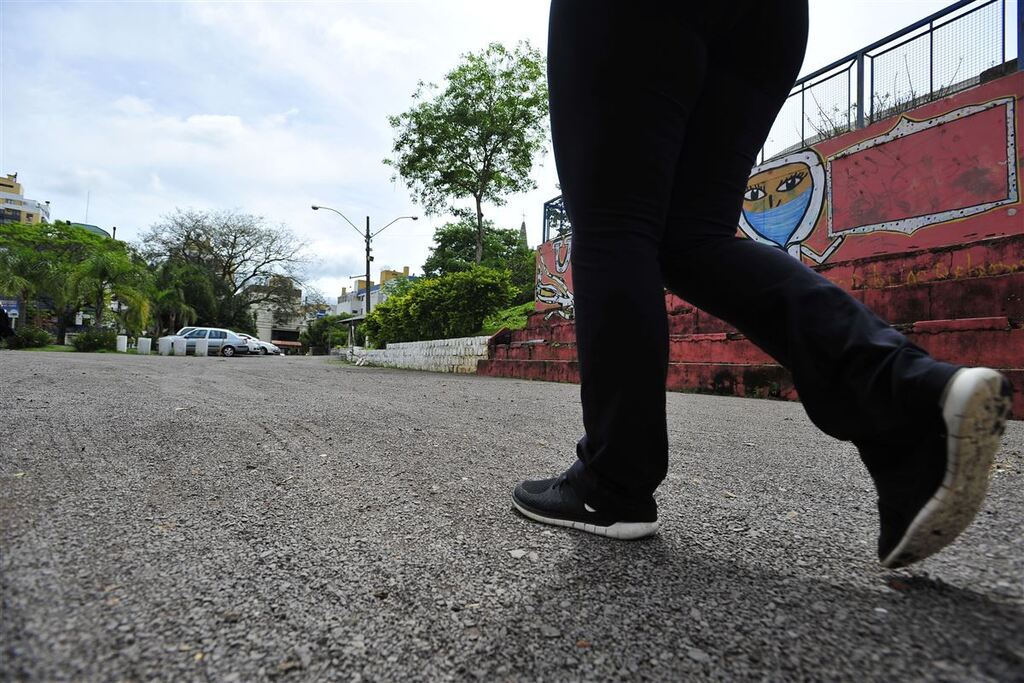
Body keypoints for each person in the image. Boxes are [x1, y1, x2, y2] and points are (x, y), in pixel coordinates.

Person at [511, 1, 1012, 569]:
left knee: (614, 223)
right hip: (769, 19)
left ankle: (612, 480)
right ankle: (907, 396)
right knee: (692, 239)